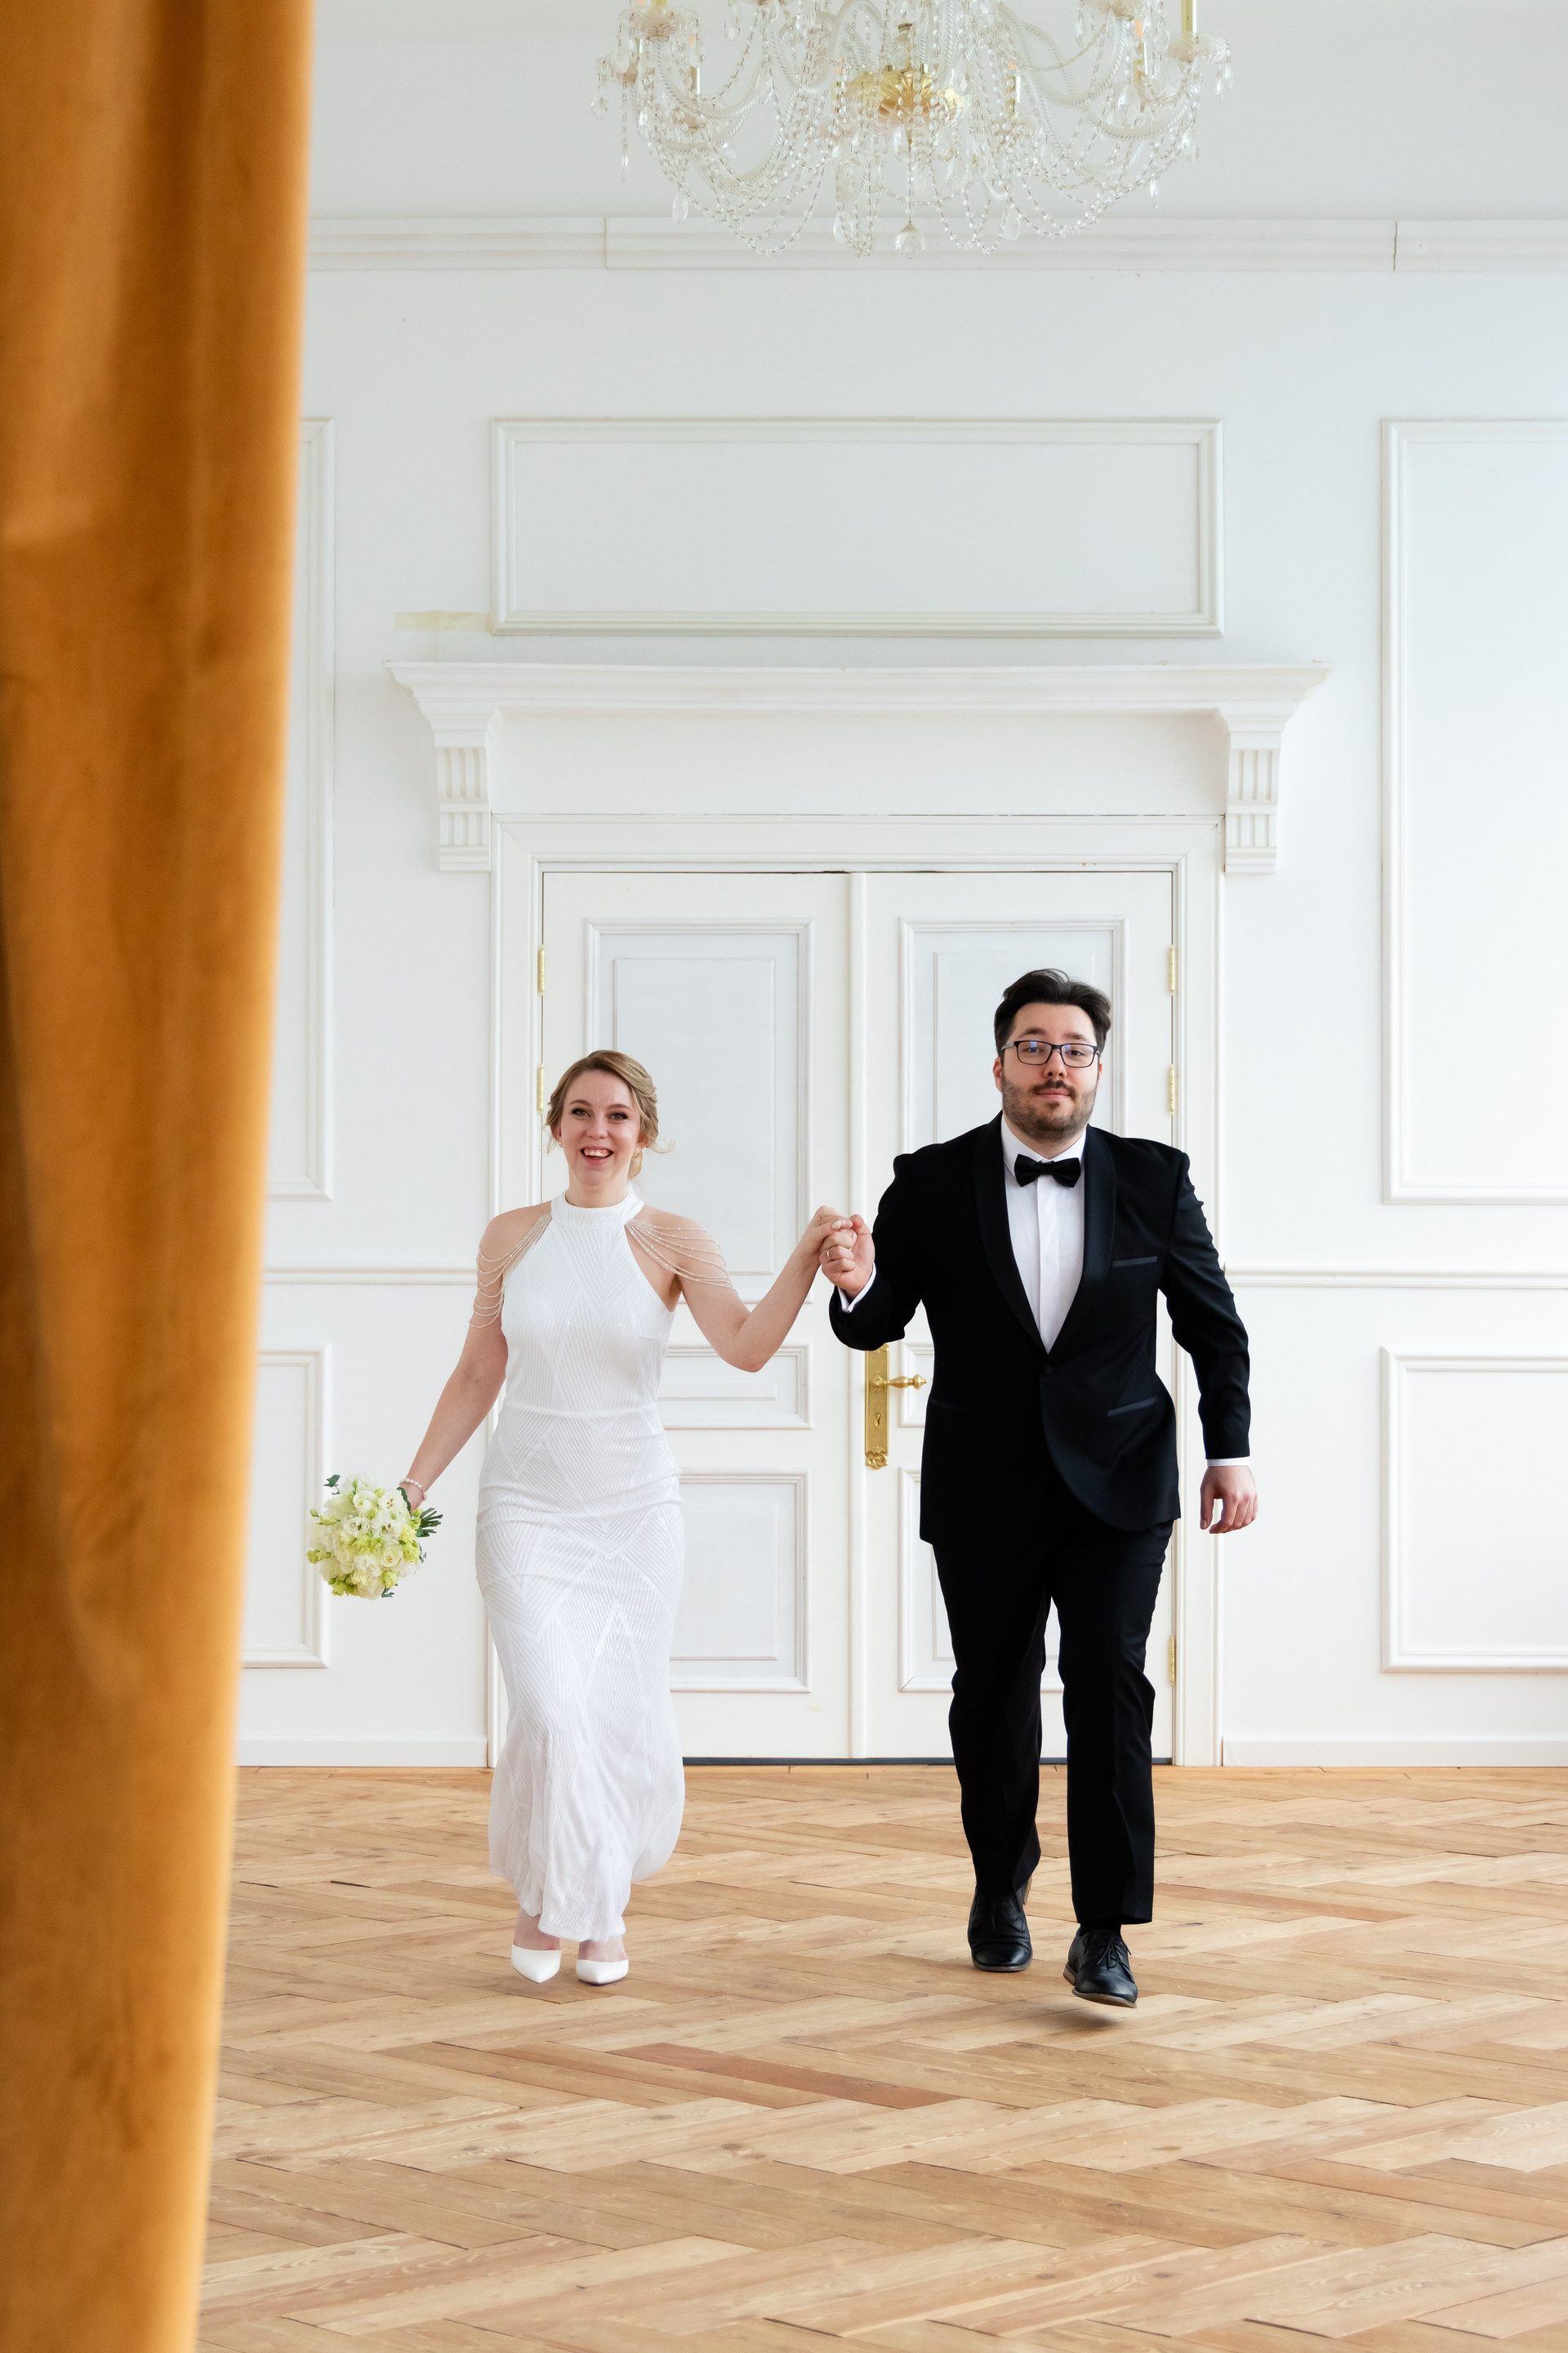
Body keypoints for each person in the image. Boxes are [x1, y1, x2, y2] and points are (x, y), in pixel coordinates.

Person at [821, 969, 1254, 2008]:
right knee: (993, 1697)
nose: (1054, 1065)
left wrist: (1229, 1451)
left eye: (1073, 1048)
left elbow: (1212, 1324)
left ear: (1097, 1068)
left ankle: (1105, 1930)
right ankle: (999, 1887)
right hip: (984, 1484)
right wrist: (855, 1283)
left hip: (1122, 1480)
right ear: (1001, 1063)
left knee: (1110, 1689)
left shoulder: (1156, 1177)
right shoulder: (931, 1180)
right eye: (1034, 1046)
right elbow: (876, 1321)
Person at [400, 1049, 847, 1989]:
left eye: (616, 1115)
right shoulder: (511, 1236)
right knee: (549, 1709)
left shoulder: (673, 1240)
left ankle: (553, 1900)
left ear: (643, 1134)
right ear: (555, 1126)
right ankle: (590, 1910)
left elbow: (745, 1347)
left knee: (610, 1712)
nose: (596, 1130)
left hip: (634, 1516)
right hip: (524, 1506)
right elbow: (479, 1370)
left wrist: (808, 1259)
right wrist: (414, 1484)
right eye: (579, 1112)